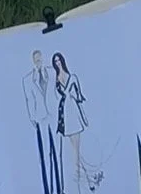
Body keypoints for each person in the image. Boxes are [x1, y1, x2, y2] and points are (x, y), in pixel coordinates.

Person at [52, 52, 102, 193]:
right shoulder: (56, 80)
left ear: (62, 61)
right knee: (76, 153)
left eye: (59, 60)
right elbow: (57, 97)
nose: (58, 63)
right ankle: (89, 180)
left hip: (73, 113)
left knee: (76, 154)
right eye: (55, 62)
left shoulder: (72, 77)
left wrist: (74, 96)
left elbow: (80, 96)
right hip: (65, 117)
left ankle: (80, 187)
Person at [23, 49, 61, 194]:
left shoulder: (51, 72)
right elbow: (29, 99)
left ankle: (60, 187)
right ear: (33, 61)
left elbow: (56, 91)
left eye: (40, 59)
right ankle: (49, 190)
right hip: (41, 117)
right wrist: (32, 117)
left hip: (53, 114)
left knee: (57, 152)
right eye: (36, 60)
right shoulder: (28, 79)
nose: (38, 62)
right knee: (45, 154)